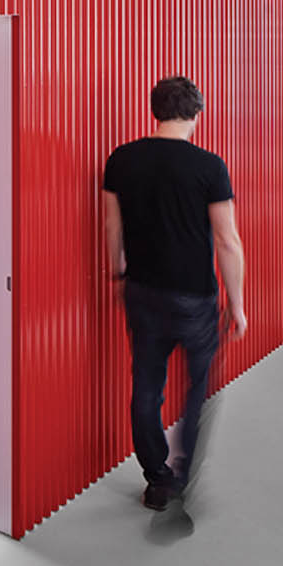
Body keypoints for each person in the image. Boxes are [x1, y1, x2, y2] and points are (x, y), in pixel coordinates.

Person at [102, 76, 247, 509]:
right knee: (196, 388)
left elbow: (112, 226)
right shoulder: (209, 166)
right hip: (195, 298)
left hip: (142, 292)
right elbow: (227, 241)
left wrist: (118, 271)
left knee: (147, 387)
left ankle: (157, 479)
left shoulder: (122, 159)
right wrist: (236, 303)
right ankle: (183, 474)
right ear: (196, 115)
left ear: (155, 111)